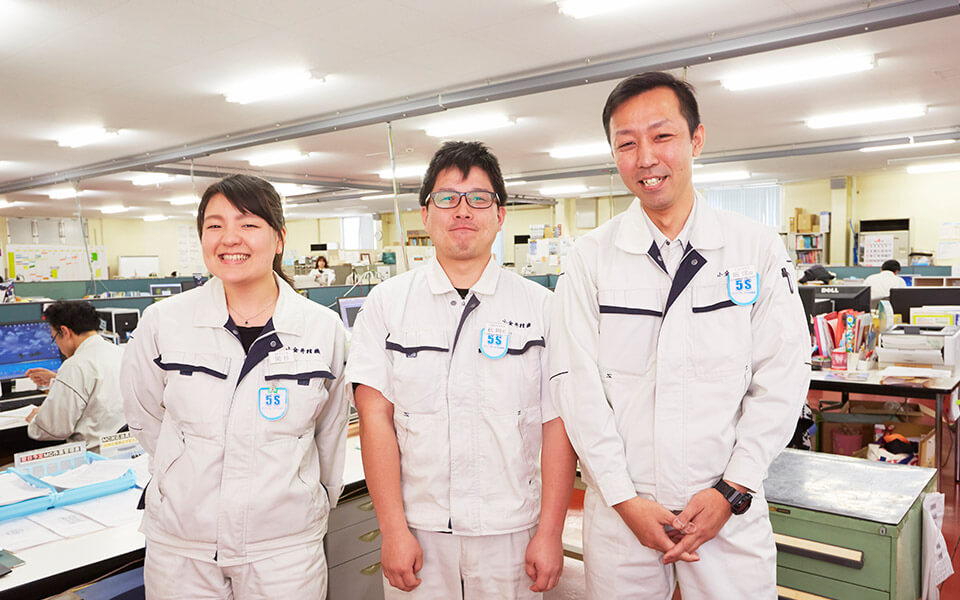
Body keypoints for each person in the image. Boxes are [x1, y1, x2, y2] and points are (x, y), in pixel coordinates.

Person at [549, 72, 810, 599]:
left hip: (725, 503)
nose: (645, 157)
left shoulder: (754, 248)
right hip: (624, 508)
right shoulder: (591, 258)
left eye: (662, 136)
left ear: (696, 139)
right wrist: (624, 499)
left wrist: (732, 489)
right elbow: (576, 387)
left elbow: (782, 375)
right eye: (626, 143)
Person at [346, 141, 576, 599]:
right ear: (425, 214)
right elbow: (375, 421)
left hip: (511, 530)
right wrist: (393, 530)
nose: (463, 210)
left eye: (479, 198)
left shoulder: (543, 308)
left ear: (500, 214)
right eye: (447, 198)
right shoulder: (388, 305)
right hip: (420, 529)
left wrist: (551, 532)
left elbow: (558, 424)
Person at [121, 174, 350, 599]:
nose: (229, 238)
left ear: (279, 238)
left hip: (284, 547)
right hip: (183, 546)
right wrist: (184, 471)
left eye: (248, 224)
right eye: (215, 225)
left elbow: (331, 432)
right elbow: (145, 416)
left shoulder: (322, 329)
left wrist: (308, 499)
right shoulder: (163, 323)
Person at [25, 300, 125, 449]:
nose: (57, 344)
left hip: (94, 455)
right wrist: (57, 379)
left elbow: (53, 429)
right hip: (129, 450)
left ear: (65, 331)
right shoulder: (120, 353)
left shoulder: (75, 365)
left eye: (54, 338)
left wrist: (38, 418)